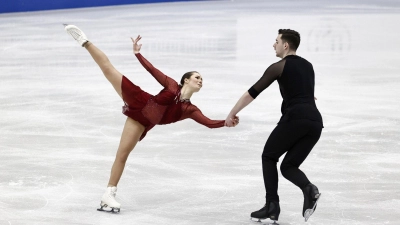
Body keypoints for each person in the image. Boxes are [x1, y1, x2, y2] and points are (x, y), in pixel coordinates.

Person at [64, 24, 239, 212]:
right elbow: (152, 69)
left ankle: (108, 195)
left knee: (122, 155)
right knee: (108, 70)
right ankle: (85, 41)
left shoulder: (189, 109)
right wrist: (137, 54)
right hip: (140, 100)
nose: (200, 80)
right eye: (197, 77)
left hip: (142, 122)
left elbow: (209, 123)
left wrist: (226, 122)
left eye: (202, 80)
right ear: (186, 80)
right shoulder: (172, 86)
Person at [225, 29, 323, 223]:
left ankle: (272, 207)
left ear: (285, 45)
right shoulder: (308, 66)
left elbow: (252, 92)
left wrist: (232, 113)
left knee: (269, 156)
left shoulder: (279, 66)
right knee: (288, 166)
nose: (274, 44)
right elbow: (307, 94)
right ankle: (309, 189)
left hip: (295, 118)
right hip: (315, 123)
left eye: (276, 41)